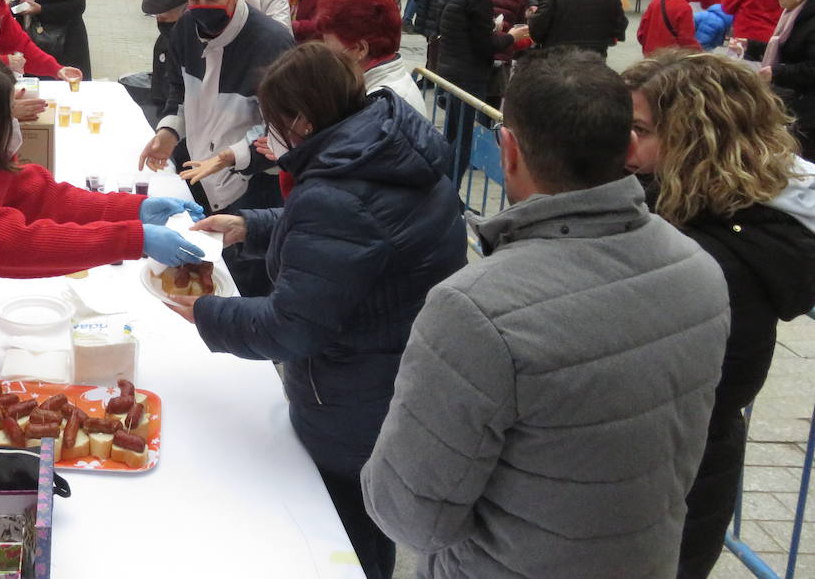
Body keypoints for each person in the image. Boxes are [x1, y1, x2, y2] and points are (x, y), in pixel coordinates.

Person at [361, 49, 731, 579]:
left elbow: (411, 515)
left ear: (507, 149)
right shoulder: (699, 269)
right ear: (628, 146)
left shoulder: (475, 309)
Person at [168, 43, 465, 579]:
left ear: (300, 121)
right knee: (369, 511)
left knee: (344, 529)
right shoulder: (388, 148)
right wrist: (253, 225)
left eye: (272, 120)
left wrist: (210, 314)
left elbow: (291, 326)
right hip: (406, 370)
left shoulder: (337, 191)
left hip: (356, 396)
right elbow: (362, 237)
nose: (267, 134)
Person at [623, 52, 815, 579]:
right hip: (688, 474)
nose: (624, 145)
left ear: (692, 138)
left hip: (669, 484)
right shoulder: (700, 214)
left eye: (638, 129)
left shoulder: (713, 257)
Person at [0, 52, 204, 375]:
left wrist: (135, 210)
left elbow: (49, 198)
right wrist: (133, 239)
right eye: (7, 115)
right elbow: (19, 244)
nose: (14, 126)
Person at [141, 0, 295, 296]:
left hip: (253, 187)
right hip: (199, 175)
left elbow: (285, 129)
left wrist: (230, 156)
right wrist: (168, 131)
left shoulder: (272, 42)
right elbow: (178, 90)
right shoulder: (184, 29)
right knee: (196, 273)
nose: (201, 6)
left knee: (243, 284)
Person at [436, 0, 529, 180]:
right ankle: (450, 190)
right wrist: (511, 37)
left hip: (450, 66)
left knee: (453, 132)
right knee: (463, 138)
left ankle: (445, 186)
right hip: (468, 72)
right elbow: (485, 45)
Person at [316, 0, 426, 117]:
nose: (327, 55)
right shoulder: (385, 88)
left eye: (328, 46)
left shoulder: (381, 109)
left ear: (360, 49)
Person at [761, 0, 815, 156]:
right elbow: (788, 49)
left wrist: (776, 72)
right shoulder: (794, 15)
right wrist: (749, 45)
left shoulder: (810, 22)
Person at [141, 0, 189, 124]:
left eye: (165, 17)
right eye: (158, 17)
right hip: (166, 116)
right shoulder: (164, 41)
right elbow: (159, 85)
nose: (160, 22)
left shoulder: (196, 44)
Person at [637, 0, 703, 54]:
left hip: (650, 51)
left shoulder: (657, 0)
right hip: (669, 54)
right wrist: (698, 51)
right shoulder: (684, 7)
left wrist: (646, 44)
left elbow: (643, 26)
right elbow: (686, 37)